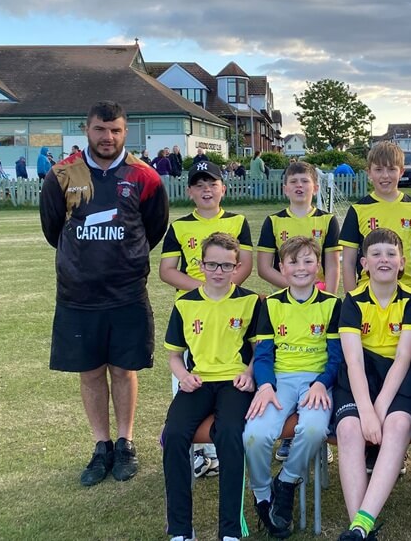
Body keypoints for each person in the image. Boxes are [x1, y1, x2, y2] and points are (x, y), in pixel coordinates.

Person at [40, 100, 169, 487]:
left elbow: (153, 228)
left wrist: (125, 258)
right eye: (100, 129)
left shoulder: (145, 177)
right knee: (91, 371)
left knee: (124, 369)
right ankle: (102, 445)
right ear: (87, 130)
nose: (107, 137)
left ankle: (126, 442)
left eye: (115, 130)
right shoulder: (62, 175)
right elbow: (53, 230)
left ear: (125, 132)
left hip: (127, 292)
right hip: (78, 294)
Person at [160, 159, 255, 479]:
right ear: (189, 191)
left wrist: (222, 291)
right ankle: (198, 451)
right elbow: (167, 271)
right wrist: (204, 292)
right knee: (190, 379)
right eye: (199, 185)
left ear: (222, 188)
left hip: (229, 308)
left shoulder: (238, 221)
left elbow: (244, 265)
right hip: (193, 312)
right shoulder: (179, 227)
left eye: (212, 184)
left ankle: (219, 449)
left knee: (228, 375)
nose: (206, 190)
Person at [162, 233, 259, 541]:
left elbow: (260, 350)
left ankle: (230, 530)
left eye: (226, 265)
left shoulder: (250, 301)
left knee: (229, 434)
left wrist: (250, 372)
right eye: (213, 264)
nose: (219, 271)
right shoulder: (185, 304)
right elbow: (174, 355)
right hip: (199, 381)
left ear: (237, 267)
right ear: (201, 265)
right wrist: (183, 376)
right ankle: (180, 530)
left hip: (234, 382)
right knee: (174, 434)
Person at [243, 236, 342, 538]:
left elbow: (337, 357)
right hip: (280, 380)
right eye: (293, 262)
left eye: (308, 261)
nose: (301, 268)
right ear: (281, 268)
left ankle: (286, 482)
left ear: (318, 266)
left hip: (316, 381)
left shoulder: (332, 304)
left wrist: (322, 383)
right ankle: (263, 495)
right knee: (254, 435)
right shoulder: (271, 305)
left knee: (313, 430)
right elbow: (263, 355)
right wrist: (265, 386)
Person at [334, 228, 411, 541]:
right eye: (376, 254)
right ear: (364, 263)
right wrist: (365, 411)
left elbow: (403, 358)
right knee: (349, 429)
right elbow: (354, 362)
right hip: (361, 376)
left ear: (402, 263)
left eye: (391, 254)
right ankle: (360, 530)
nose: (383, 259)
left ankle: (361, 524)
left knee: (397, 425)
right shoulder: (352, 301)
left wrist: (380, 409)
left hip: (398, 380)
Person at [339, 141, 411, 294]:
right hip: (368, 294)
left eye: (392, 169)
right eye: (378, 169)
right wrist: (352, 300)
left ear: (401, 171)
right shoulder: (358, 210)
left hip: (408, 292)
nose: (385, 176)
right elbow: (348, 262)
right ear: (369, 173)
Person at [257, 160, 341, 295]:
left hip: (317, 295)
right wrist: (297, 285)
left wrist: (329, 299)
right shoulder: (273, 221)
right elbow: (264, 268)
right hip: (283, 296)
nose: (299, 185)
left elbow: (333, 266)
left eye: (305, 181)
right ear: (285, 189)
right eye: (293, 181)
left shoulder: (328, 220)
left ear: (315, 188)